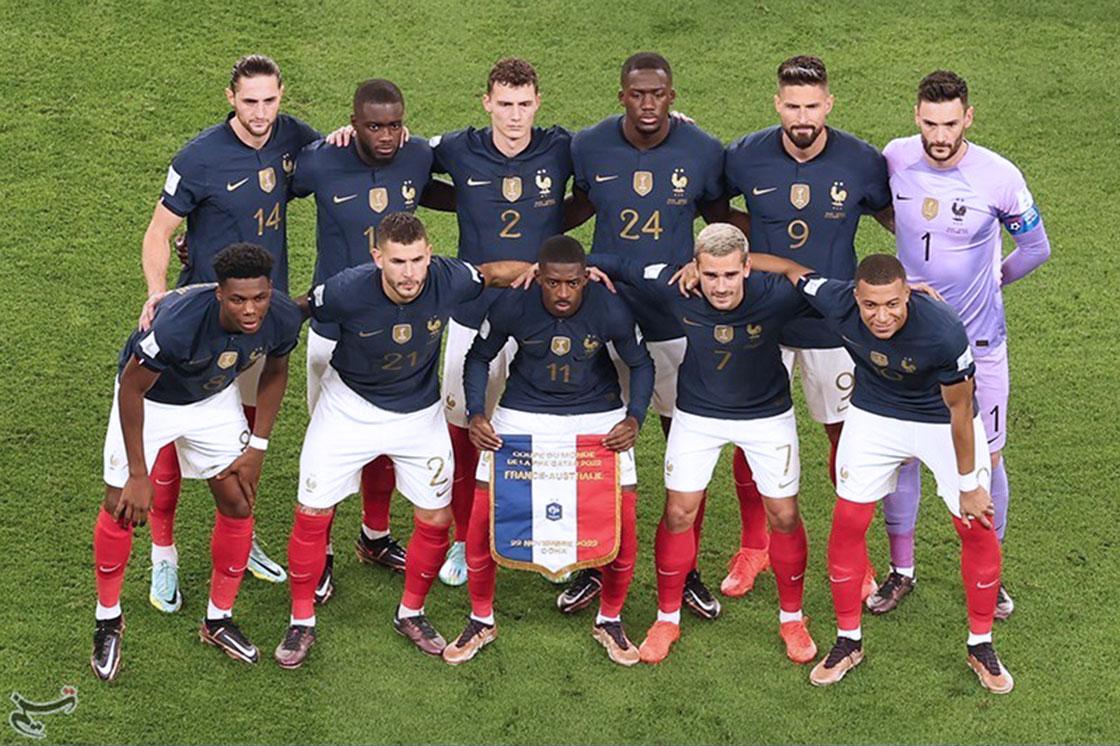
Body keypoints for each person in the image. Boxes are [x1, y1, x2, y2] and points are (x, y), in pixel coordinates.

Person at [272, 213, 534, 668]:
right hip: (348, 409)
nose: (410, 273)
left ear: (429, 254)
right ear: (378, 258)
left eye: (417, 260)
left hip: (419, 413)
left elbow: (492, 273)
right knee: (312, 511)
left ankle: (411, 612)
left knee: (435, 517)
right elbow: (298, 308)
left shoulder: (448, 278)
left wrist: (540, 271)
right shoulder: (347, 289)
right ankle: (301, 621)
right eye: (398, 261)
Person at [779, 254, 1011, 694]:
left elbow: (960, 409)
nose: (881, 316)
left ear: (909, 295)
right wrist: (736, 261)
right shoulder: (836, 300)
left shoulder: (942, 329)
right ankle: (848, 640)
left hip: (939, 420)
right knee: (848, 520)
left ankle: (980, 644)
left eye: (892, 304)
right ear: (855, 298)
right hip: (875, 415)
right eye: (870, 306)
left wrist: (968, 486)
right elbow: (793, 272)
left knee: (976, 525)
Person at [588, 224, 817, 666]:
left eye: (731, 274)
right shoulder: (676, 286)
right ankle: (666, 618)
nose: (721, 286)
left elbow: (821, 283)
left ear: (747, 268)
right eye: (711, 275)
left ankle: (792, 618)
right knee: (678, 511)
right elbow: (619, 264)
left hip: (767, 416)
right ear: (695, 269)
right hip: (697, 415)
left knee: (784, 515)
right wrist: (561, 267)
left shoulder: (776, 293)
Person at [868, 70, 1052, 616]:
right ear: (916, 116)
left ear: (967, 117)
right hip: (906, 344)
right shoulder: (896, 157)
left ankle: (988, 574)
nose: (940, 135)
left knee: (987, 461)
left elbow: (1036, 247)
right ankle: (902, 570)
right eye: (930, 123)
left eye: (950, 123)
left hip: (980, 344)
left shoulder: (998, 177)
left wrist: (993, 280)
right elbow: (877, 202)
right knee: (901, 457)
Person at [139, 54, 319, 606]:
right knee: (171, 436)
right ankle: (162, 555)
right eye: (249, 101)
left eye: (269, 100)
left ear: (281, 95)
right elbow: (159, 232)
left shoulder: (294, 138)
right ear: (230, 97)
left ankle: (245, 530)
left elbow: (338, 163)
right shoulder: (199, 158)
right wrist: (156, 291)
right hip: (205, 318)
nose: (260, 113)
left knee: (247, 436)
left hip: (262, 318)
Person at [558, 51, 731, 620]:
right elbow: (572, 207)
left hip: (676, 320)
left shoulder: (703, 151)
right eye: (638, 94)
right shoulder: (588, 146)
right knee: (596, 444)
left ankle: (686, 571)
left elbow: (721, 219)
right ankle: (590, 562)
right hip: (605, 316)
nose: (648, 104)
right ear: (622, 95)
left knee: (685, 445)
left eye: (658, 93)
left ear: (672, 96)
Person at [721, 55, 892, 600]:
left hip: (834, 322)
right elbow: (715, 210)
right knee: (752, 436)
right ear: (777, 104)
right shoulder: (744, 156)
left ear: (828, 104)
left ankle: (856, 555)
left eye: (812, 106)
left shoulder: (862, 161)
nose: (802, 117)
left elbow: (896, 218)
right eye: (792, 106)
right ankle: (755, 547)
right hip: (762, 317)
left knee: (846, 439)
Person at [91, 244, 303, 681]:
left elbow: (276, 372)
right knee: (121, 507)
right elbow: (132, 391)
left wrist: (257, 448)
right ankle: (108, 619)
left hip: (211, 398)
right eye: (239, 300)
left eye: (259, 297)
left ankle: (218, 619)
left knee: (238, 501)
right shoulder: (178, 324)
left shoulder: (280, 315)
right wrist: (137, 474)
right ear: (218, 295)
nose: (251, 310)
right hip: (154, 402)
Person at [442, 235, 654, 666]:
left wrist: (634, 419)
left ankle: (610, 619)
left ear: (585, 279)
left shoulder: (610, 306)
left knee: (623, 528)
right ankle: (481, 619)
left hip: (597, 419)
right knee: (483, 522)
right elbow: (479, 357)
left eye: (572, 283)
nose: (562, 293)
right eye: (553, 283)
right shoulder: (513, 303)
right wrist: (478, 414)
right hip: (522, 415)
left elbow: (641, 363)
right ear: (537, 277)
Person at [289, 78, 442, 602]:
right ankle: (324, 552)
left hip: (398, 323)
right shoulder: (319, 160)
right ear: (352, 122)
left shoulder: (417, 154)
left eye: (395, 124)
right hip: (332, 329)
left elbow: (468, 169)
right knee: (330, 449)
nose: (386, 135)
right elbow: (265, 179)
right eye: (374, 125)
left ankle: (374, 537)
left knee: (388, 438)